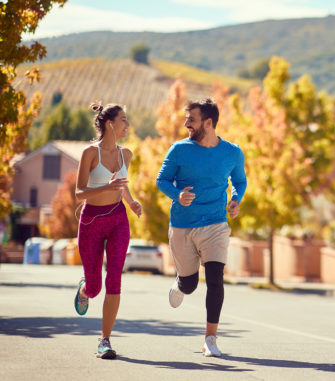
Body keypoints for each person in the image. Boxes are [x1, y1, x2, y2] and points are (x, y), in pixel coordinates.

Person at [156, 98, 246, 357]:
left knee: (216, 279)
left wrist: (236, 199)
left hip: (215, 223)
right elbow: (162, 180)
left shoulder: (232, 152)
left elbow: (239, 180)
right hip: (183, 225)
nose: (186, 124)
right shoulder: (179, 150)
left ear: (208, 123)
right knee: (191, 284)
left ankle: (210, 339)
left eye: (191, 120)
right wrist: (177, 195)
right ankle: (181, 285)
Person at [73, 102, 143, 359]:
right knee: (95, 287)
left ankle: (105, 339)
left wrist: (131, 201)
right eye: (123, 119)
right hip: (91, 221)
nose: (127, 124)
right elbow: (79, 193)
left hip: (118, 220)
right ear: (110, 124)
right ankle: (84, 289)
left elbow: (122, 187)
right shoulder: (90, 153)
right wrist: (106, 188)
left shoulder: (127, 155)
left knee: (114, 279)